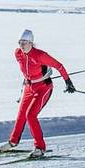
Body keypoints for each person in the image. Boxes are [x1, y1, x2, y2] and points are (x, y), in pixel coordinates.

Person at [9, 29, 74, 157]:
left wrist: (68, 82)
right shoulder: (18, 53)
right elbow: (26, 71)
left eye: (25, 42)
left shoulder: (40, 55)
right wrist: (25, 85)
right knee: (21, 114)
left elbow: (59, 66)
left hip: (43, 87)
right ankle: (13, 141)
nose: (21, 45)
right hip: (29, 87)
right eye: (20, 42)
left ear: (31, 43)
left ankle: (40, 148)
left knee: (31, 115)